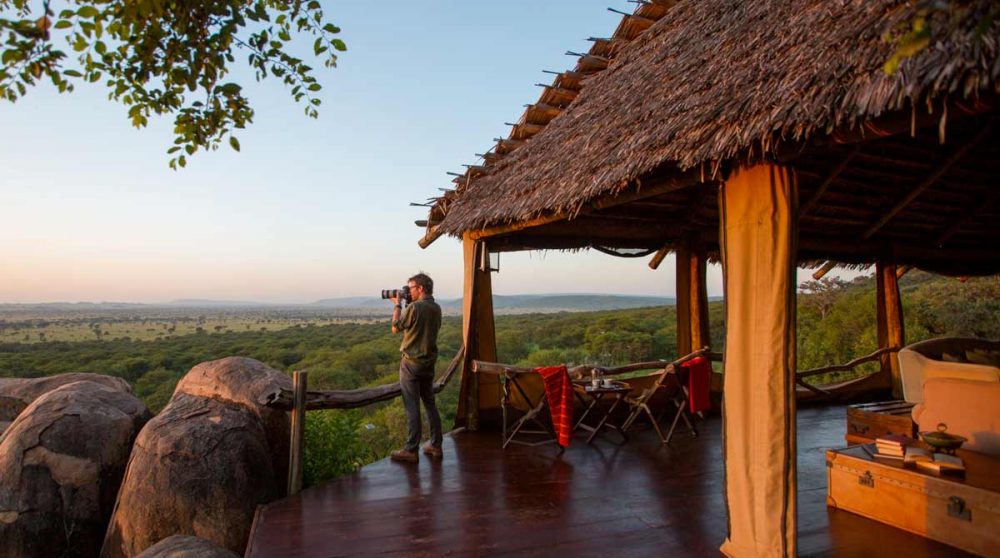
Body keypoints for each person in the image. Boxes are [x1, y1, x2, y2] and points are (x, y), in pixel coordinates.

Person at [388, 272, 443, 463]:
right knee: (430, 404)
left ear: (420, 288)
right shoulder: (436, 308)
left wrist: (397, 304)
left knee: (412, 406)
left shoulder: (415, 308)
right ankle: (436, 445)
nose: (407, 292)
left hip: (411, 363)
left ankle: (411, 450)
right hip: (428, 363)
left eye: (410, 288)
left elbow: (395, 327)